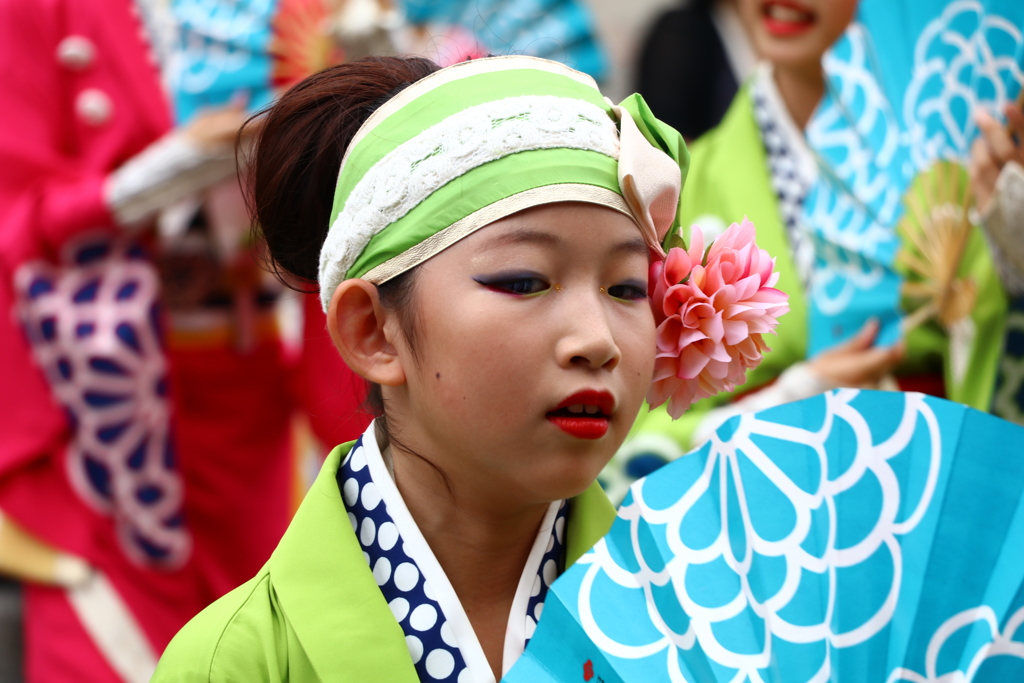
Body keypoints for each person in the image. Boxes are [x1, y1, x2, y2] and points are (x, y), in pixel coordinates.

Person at [149, 52, 767, 681]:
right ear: (373, 331)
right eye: (524, 280)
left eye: (628, 289)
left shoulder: (710, 627)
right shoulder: (238, 662)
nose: (597, 339)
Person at [0, 0, 368, 679]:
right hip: (108, 426)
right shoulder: (44, 13)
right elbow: (12, 224)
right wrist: (146, 181)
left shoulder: (309, 16)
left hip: (260, 406)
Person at [603, 0, 1013, 496]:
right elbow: (623, 435)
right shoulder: (679, 190)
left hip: (934, 491)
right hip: (764, 519)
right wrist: (782, 405)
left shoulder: (968, 166)